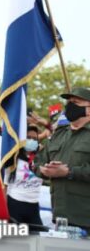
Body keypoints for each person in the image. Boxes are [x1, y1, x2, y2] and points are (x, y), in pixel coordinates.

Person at [35, 87, 90, 231]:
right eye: (69, 102)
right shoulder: (59, 134)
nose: (69, 106)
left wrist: (68, 172)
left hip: (85, 217)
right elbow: (38, 161)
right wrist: (44, 170)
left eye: (75, 102)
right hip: (60, 216)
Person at [5, 125, 43, 225]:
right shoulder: (13, 158)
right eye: (28, 137)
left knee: (37, 236)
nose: (31, 140)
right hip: (15, 204)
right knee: (16, 239)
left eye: (35, 139)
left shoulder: (41, 158)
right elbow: (4, 185)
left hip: (34, 205)